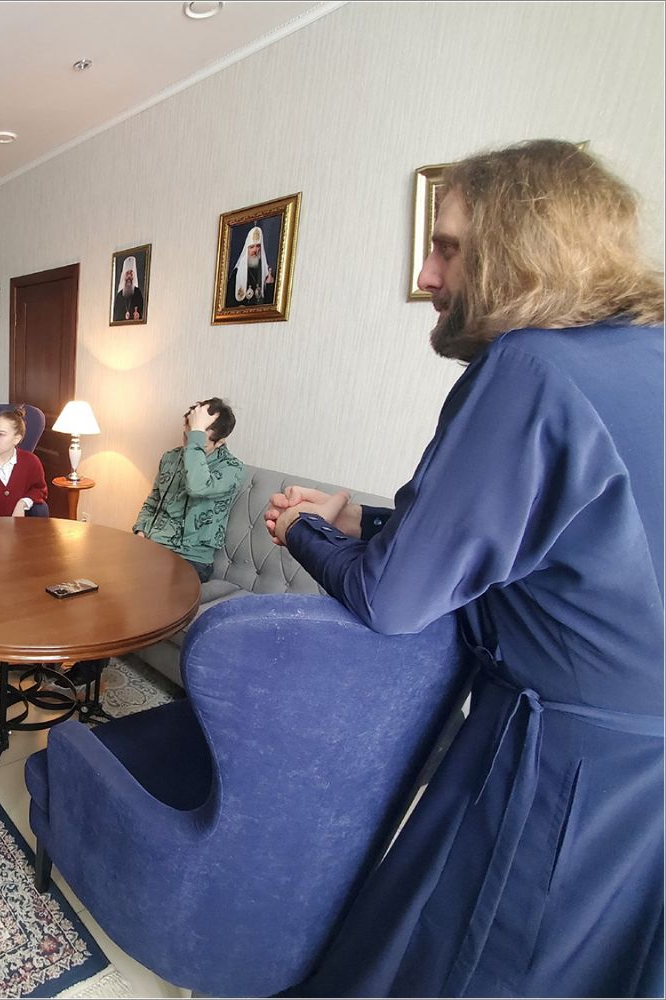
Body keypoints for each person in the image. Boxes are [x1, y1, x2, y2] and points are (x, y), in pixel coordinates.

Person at [264, 140, 663, 997]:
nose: (426, 275)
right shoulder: (645, 355)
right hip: (642, 763)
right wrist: (361, 518)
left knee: (468, 963)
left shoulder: (528, 365)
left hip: (561, 760)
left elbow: (393, 597)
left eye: (445, 247)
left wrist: (301, 531)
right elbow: (553, 537)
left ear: (521, 249)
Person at [133, 398, 246, 583]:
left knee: (146, 585)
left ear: (220, 442)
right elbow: (153, 501)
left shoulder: (232, 469)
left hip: (190, 559)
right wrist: (141, 531)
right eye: (186, 436)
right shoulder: (170, 457)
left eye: (197, 439)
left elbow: (197, 487)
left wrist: (196, 434)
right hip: (152, 546)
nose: (188, 444)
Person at [231, 226, 274, 306]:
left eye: (258, 246)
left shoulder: (266, 272)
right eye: (251, 247)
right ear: (247, 249)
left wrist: (269, 285)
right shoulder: (236, 272)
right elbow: (229, 303)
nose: (255, 250)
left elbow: (270, 303)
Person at [113, 255, 145, 322]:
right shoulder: (119, 296)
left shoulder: (138, 293)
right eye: (127, 273)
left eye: (131, 273)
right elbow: (115, 318)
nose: (129, 276)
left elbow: (142, 314)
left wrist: (139, 316)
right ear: (124, 276)